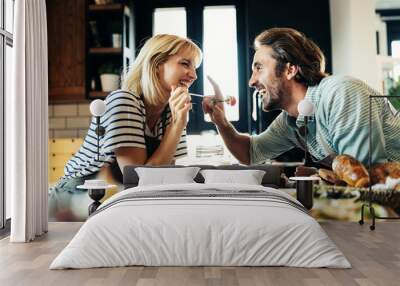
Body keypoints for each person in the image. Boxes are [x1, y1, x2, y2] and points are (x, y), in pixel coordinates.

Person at [49, 34, 202, 221]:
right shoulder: (124, 101)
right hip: (73, 201)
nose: (194, 75)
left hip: (116, 200)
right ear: (156, 66)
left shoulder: (171, 113)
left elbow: (161, 178)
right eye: (185, 64)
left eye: (195, 67)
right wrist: (178, 125)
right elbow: (138, 181)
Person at [203, 27, 400, 169]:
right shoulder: (290, 121)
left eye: (259, 68)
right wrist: (221, 122)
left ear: (290, 70)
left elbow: (364, 176)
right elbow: (250, 153)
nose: (251, 81)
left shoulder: (340, 93)